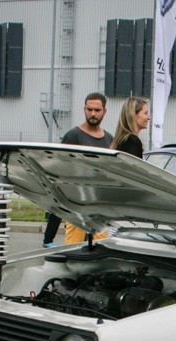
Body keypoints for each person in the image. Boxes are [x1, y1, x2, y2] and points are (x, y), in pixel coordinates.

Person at [42, 92, 114, 246]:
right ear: (84, 109)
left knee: (101, 250)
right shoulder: (73, 136)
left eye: (97, 110)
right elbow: (60, 173)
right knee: (74, 250)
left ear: (104, 111)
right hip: (76, 206)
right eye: (89, 109)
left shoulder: (109, 139)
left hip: (99, 207)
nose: (93, 113)